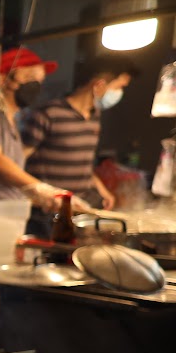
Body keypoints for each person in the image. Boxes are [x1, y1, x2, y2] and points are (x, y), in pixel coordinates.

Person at [21, 60, 135, 230]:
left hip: (80, 209)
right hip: (47, 213)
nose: (119, 93)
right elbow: (19, 159)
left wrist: (101, 189)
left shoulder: (95, 116)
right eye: (119, 87)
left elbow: (82, 161)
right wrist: (39, 193)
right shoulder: (48, 113)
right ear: (99, 85)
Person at [0, 46, 66, 211]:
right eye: (30, 78)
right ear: (3, 80)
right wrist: (40, 188)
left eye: (39, 81)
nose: (36, 86)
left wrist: (38, 196)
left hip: (5, 213)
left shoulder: (10, 121)